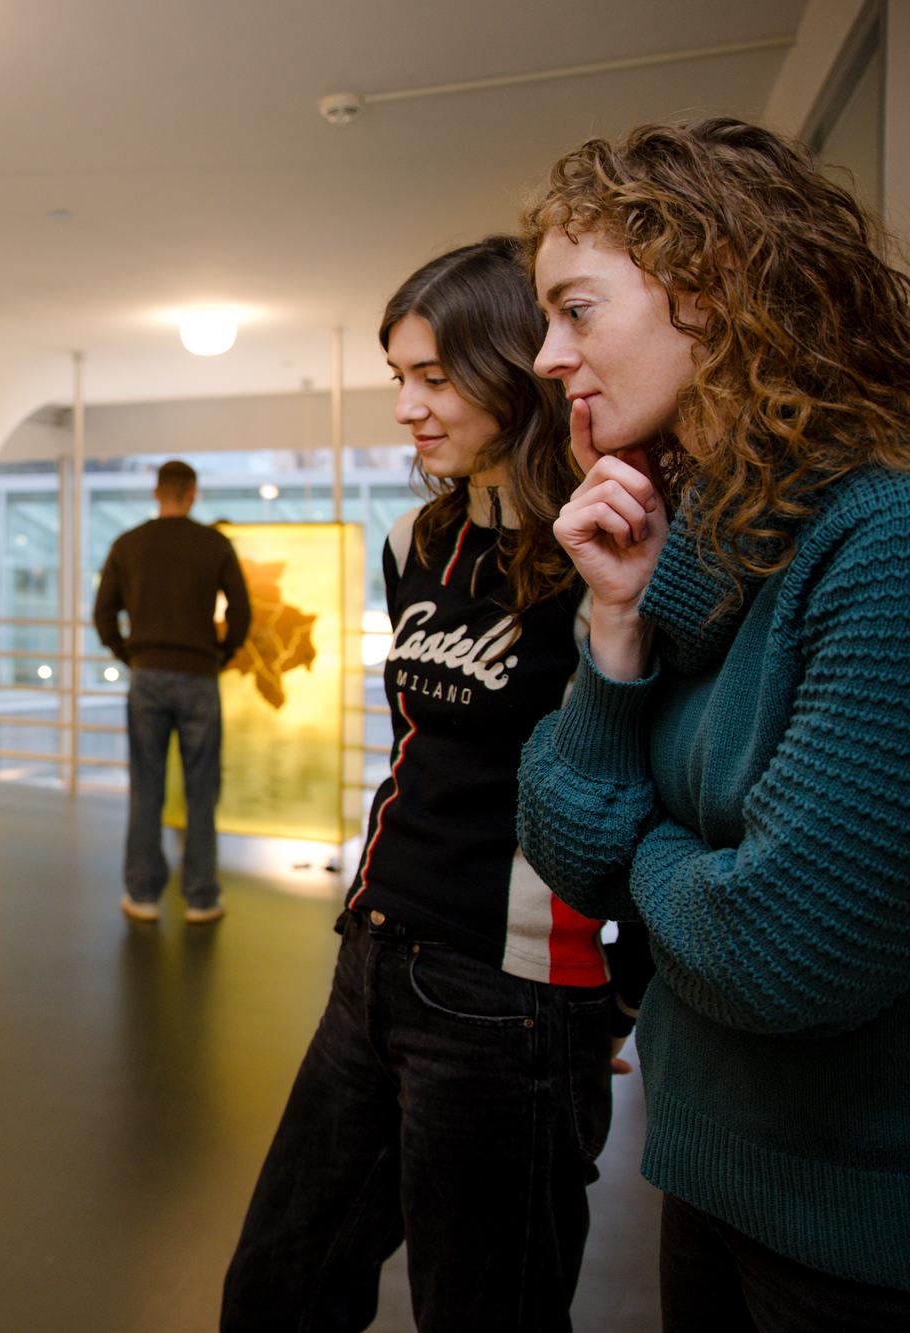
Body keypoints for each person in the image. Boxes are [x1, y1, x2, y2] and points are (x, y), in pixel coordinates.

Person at [515, 118, 910, 1329]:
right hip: (711, 1172)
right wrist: (615, 624)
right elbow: (560, 842)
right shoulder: (704, 551)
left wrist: (647, 854)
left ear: (714, 286)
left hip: (853, 1233)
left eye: (574, 310)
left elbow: (780, 950)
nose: (543, 355)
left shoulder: (879, 544)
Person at [220, 237, 652, 1332]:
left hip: (507, 996)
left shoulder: (611, 548)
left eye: (435, 376)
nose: (409, 407)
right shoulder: (425, 534)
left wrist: (625, 986)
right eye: (396, 378)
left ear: (515, 366)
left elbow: (642, 767)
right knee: (275, 1288)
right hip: (373, 957)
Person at [93, 459, 250, 923]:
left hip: (147, 676)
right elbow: (241, 612)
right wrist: (221, 654)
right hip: (199, 676)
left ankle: (142, 895)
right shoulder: (214, 544)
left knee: (147, 787)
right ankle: (201, 897)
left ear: (156, 493)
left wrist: (129, 654)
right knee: (202, 790)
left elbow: (103, 615)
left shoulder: (128, 544)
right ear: (193, 494)